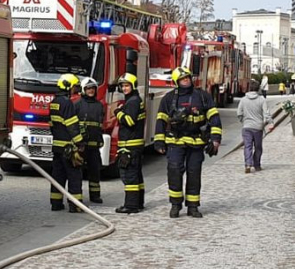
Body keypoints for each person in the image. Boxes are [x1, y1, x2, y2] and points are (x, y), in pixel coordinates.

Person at [154, 67, 223, 218]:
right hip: (175, 141)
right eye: (182, 78)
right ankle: (175, 204)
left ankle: (193, 206)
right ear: (176, 82)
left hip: (196, 141)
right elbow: (161, 120)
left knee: (194, 173)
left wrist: (215, 139)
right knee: (174, 171)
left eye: (187, 77)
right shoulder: (169, 98)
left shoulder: (203, 96)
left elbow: (215, 119)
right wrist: (159, 141)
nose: (186, 80)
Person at [49, 73, 84, 213]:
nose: (76, 90)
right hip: (68, 147)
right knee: (74, 175)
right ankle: (75, 205)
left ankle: (56, 203)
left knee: (58, 175)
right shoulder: (67, 102)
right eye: (75, 87)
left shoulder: (54, 102)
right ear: (68, 86)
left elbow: (52, 124)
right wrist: (80, 142)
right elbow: (72, 125)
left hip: (57, 146)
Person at [114, 73, 146, 214]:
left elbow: (130, 121)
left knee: (129, 175)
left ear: (132, 86)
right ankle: (138, 203)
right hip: (135, 144)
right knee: (136, 175)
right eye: (122, 86)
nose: (124, 88)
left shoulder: (132, 101)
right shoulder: (135, 99)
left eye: (127, 85)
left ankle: (131, 205)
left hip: (130, 145)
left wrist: (118, 113)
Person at [75, 78, 104, 204]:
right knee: (77, 172)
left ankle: (95, 195)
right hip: (81, 145)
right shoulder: (77, 104)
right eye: (88, 88)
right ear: (83, 90)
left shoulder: (99, 105)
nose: (91, 90)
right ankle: (77, 195)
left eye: (93, 88)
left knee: (95, 172)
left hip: (94, 146)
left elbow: (100, 125)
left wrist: (100, 140)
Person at [237, 79, 274, 173]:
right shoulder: (261, 100)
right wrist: (271, 123)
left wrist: (244, 121)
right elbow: (266, 113)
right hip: (258, 127)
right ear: (258, 89)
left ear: (249, 88)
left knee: (247, 146)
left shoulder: (243, 100)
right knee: (258, 147)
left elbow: (239, 113)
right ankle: (256, 164)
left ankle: (248, 164)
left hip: (246, 127)